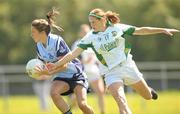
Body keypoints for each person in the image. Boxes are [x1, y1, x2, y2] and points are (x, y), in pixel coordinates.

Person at [46, 8, 179, 114]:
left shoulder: (117, 28)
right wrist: (56, 64)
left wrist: (162, 30)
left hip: (127, 66)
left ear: (103, 19)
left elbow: (140, 30)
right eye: (90, 23)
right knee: (121, 100)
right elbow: (73, 54)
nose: (91, 25)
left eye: (93, 22)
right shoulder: (90, 37)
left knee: (147, 97)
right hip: (111, 72)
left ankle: (149, 91)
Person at [30, 8, 94, 114]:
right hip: (61, 77)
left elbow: (64, 65)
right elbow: (44, 66)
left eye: (33, 32)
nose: (31, 34)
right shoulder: (38, 46)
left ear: (42, 32)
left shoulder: (56, 41)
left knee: (82, 105)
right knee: (54, 93)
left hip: (76, 74)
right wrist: (38, 72)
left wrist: (47, 73)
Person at [71, 24, 105, 114]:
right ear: (80, 33)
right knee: (76, 96)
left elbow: (98, 58)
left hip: (94, 71)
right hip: (82, 72)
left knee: (101, 92)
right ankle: (70, 108)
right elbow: (73, 58)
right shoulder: (77, 44)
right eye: (84, 32)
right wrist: (84, 62)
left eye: (87, 31)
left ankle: (102, 112)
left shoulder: (94, 42)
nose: (86, 33)